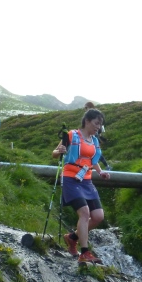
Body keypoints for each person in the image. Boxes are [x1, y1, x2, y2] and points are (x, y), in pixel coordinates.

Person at [53, 108, 111, 264]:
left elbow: (92, 160)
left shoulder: (94, 141)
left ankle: (72, 238)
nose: (98, 127)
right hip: (70, 178)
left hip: (86, 180)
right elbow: (54, 153)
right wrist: (59, 151)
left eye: (100, 124)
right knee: (84, 213)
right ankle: (84, 253)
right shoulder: (71, 135)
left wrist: (100, 172)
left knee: (98, 216)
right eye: (96, 123)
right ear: (87, 121)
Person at [83, 101, 111, 170]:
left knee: (96, 151)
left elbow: (100, 125)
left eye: (86, 108)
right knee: (93, 151)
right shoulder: (89, 116)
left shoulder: (95, 115)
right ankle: (103, 166)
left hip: (94, 136)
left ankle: (105, 166)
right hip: (92, 136)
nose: (85, 109)